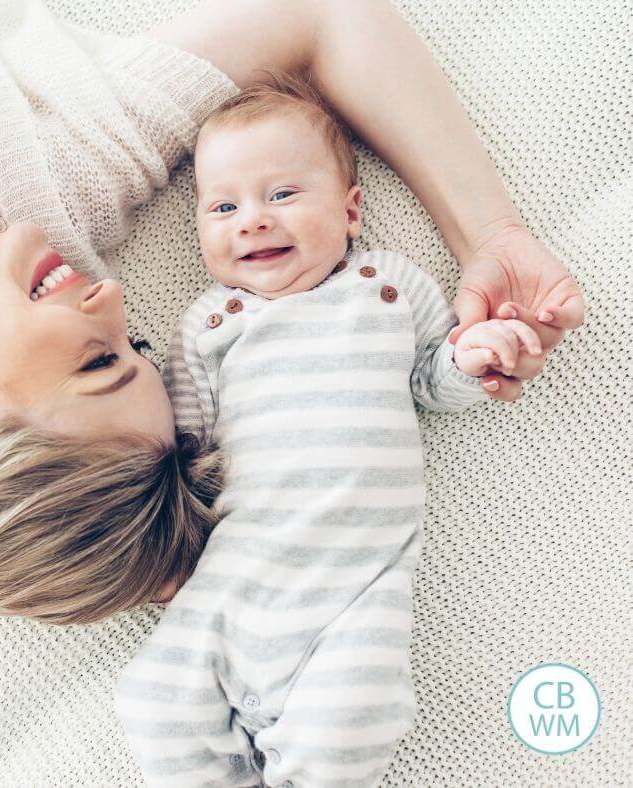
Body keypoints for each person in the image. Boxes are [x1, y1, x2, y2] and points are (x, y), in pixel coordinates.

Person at [0, 0, 582, 699]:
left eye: (93, 363)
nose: (111, 296)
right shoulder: (57, 179)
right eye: (134, 346)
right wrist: (491, 235)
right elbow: (321, 14)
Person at [115, 70, 553, 787]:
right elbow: (187, 449)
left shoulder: (388, 286)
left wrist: (472, 358)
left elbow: (429, 382)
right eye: (222, 206)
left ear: (352, 211)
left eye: (282, 194)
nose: (252, 219)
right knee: (155, 702)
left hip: (360, 589)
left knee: (356, 723)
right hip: (234, 576)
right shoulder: (210, 324)